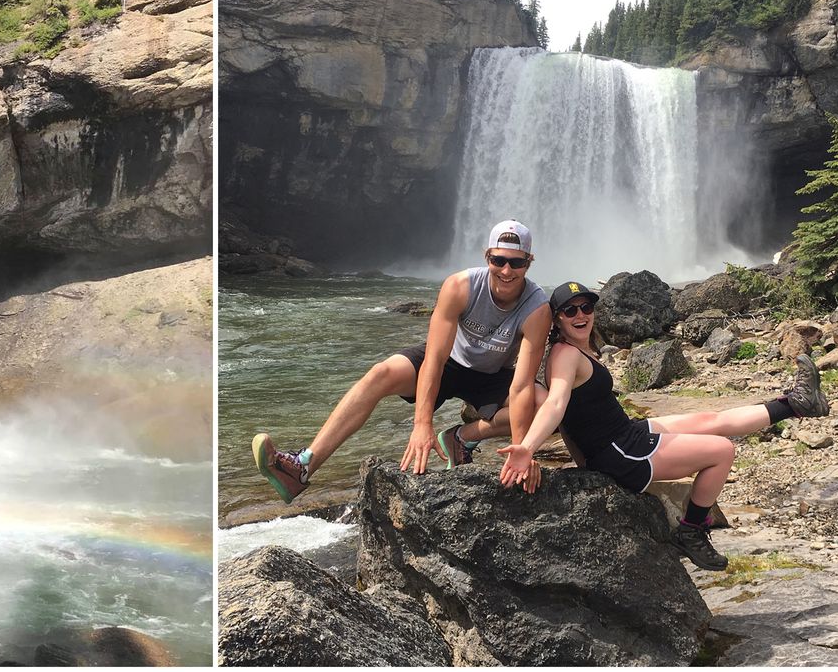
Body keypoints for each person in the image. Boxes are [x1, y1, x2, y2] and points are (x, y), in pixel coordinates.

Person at [498, 281, 831, 571]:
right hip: (621, 453)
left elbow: (569, 418)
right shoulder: (566, 355)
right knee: (722, 451)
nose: (580, 315)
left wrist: (581, 459)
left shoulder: (577, 352)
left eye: (586, 306)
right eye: (570, 311)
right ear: (556, 319)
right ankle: (692, 530)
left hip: (625, 434)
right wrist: (528, 449)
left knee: (711, 420)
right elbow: (556, 404)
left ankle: (796, 403)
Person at [253, 219, 554, 503]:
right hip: (449, 361)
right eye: (498, 260)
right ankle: (302, 466)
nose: (506, 271)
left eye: (516, 262)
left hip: (492, 375)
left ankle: (461, 438)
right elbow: (434, 359)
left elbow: (522, 386)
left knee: (545, 405)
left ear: (529, 262)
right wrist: (422, 424)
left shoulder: (536, 308)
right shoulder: (460, 286)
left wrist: (523, 451)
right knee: (379, 374)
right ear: (487, 257)